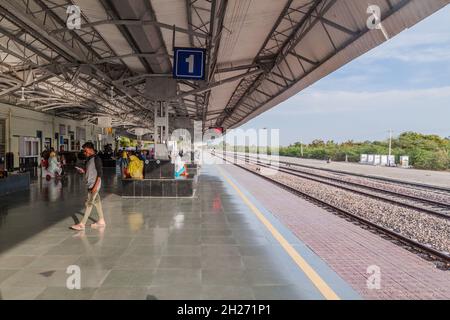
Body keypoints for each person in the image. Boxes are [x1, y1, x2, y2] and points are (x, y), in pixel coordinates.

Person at [70, 142, 105, 231]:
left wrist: (95, 187)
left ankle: (82, 224)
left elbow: (100, 174)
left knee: (88, 203)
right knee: (97, 202)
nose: (84, 152)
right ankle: (101, 221)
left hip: (94, 185)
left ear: (89, 149)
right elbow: (90, 171)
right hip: (90, 184)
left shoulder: (97, 159)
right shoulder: (89, 159)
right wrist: (83, 171)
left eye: (85, 150)